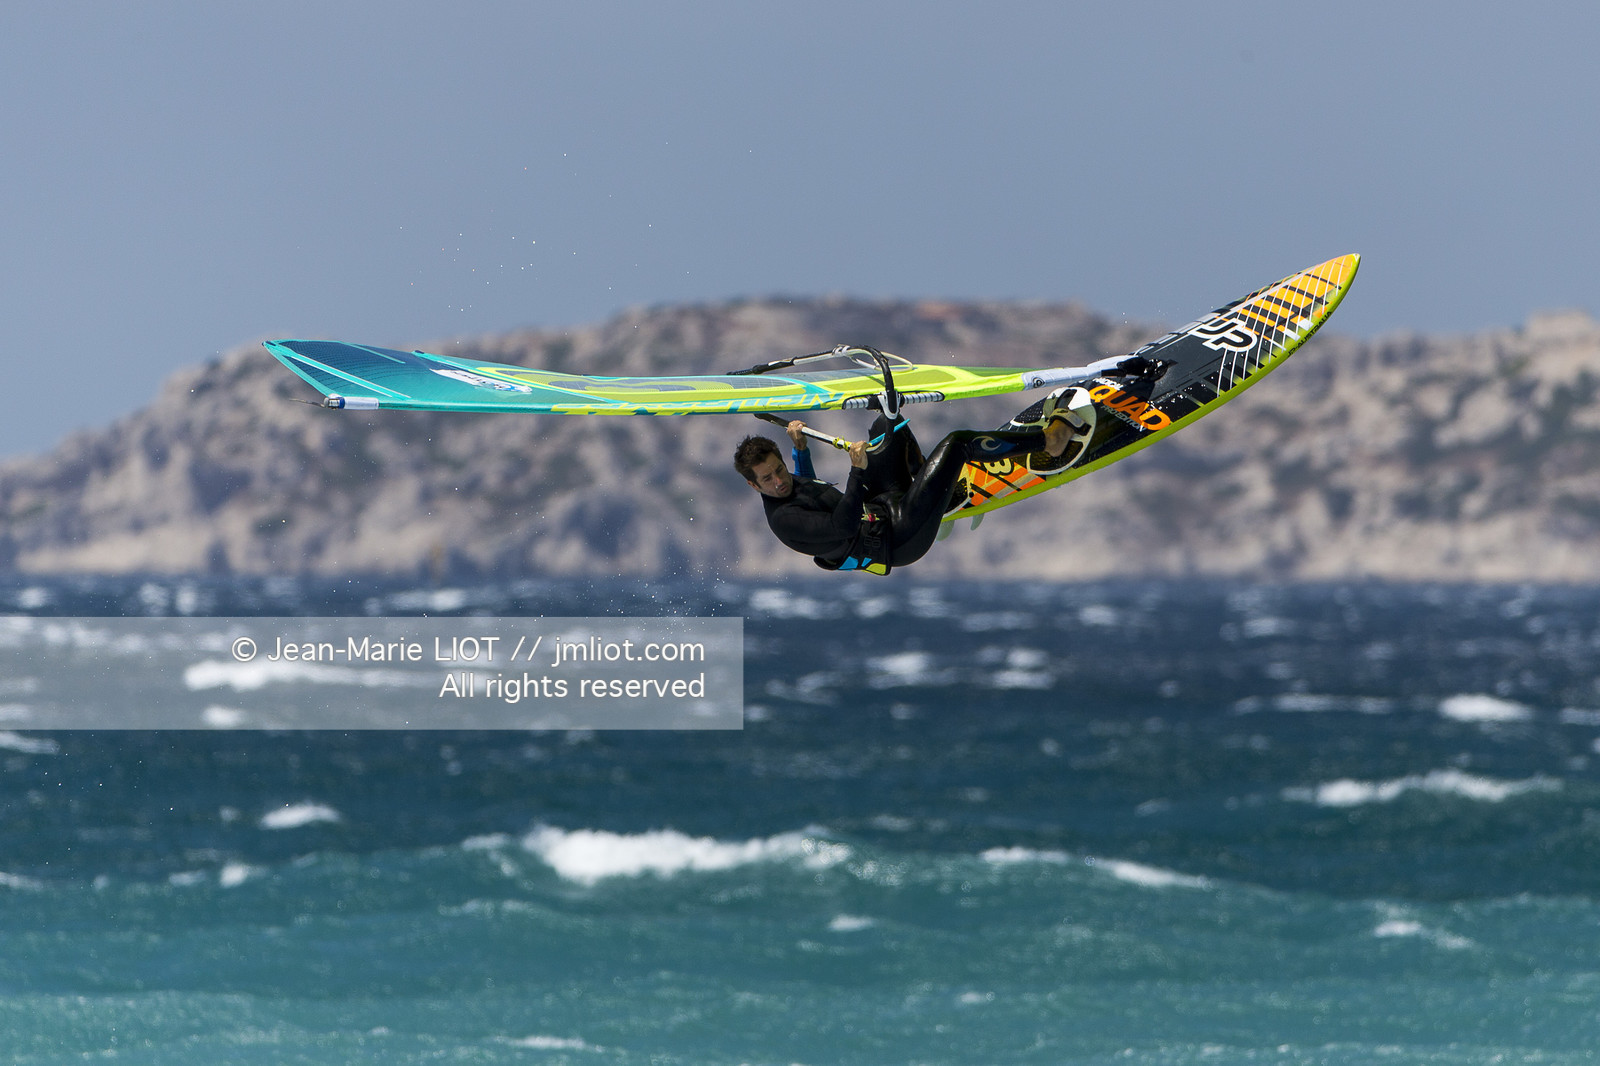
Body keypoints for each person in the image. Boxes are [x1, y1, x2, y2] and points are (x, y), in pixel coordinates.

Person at [734, 394, 1083, 575]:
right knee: (956, 443)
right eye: (768, 479)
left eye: (779, 469)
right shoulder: (784, 520)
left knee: (887, 426)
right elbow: (842, 525)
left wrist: (800, 450)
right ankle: (1050, 442)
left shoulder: (786, 482)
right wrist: (856, 471)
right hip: (899, 540)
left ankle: (936, 494)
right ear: (754, 486)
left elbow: (805, 484)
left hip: (883, 505)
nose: (779, 481)